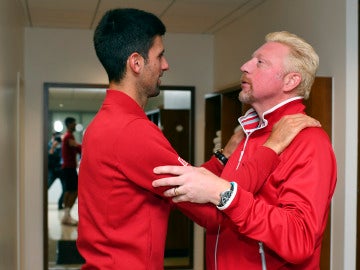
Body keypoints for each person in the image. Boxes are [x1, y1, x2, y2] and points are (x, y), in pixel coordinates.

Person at [76, 9, 321, 269]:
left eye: (260, 62)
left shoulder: (105, 123)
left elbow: (188, 185)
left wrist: (222, 157)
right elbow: (213, 212)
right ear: (136, 63)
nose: (165, 65)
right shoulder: (131, 131)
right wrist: (270, 148)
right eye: (159, 56)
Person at [153, 31, 337, 269]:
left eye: (260, 62)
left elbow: (299, 240)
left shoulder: (309, 140)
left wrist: (228, 195)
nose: (245, 66)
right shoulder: (246, 134)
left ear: (291, 81)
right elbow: (213, 217)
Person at [61, 117, 82, 226]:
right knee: (74, 191)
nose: (75, 125)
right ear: (69, 124)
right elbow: (78, 147)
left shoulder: (67, 136)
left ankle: (66, 215)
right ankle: (66, 216)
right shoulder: (69, 136)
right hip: (69, 168)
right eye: (74, 124)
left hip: (68, 168)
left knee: (69, 191)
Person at [48, 131, 65, 210]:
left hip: (61, 170)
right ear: (53, 137)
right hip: (52, 171)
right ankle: (40, 203)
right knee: (46, 187)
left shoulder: (62, 146)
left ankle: (60, 204)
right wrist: (53, 148)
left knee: (65, 189)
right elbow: (48, 158)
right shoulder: (48, 145)